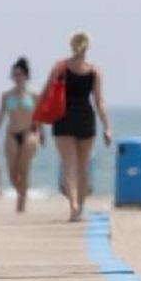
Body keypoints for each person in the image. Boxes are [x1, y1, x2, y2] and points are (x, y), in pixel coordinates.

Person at [49, 32, 112, 222]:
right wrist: (107, 127)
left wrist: (40, 117)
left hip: (64, 118)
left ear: (71, 45)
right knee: (83, 167)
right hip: (85, 117)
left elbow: (50, 93)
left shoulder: (60, 67)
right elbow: (99, 101)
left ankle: (73, 206)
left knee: (69, 165)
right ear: (88, 47)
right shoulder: (94, 71)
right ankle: (80, 207)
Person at [0, 57, 41, 213]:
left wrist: (42, 134)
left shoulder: (34, 94)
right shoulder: (6, 95)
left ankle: (21, 204)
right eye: (15, 75)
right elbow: (0, 115)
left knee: (24, 169)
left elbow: (39, 116)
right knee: (13, 172)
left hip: (28, 133)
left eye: (20, 74)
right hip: (12, 133)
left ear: (26, 76)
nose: (17, 78)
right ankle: (20, 193)